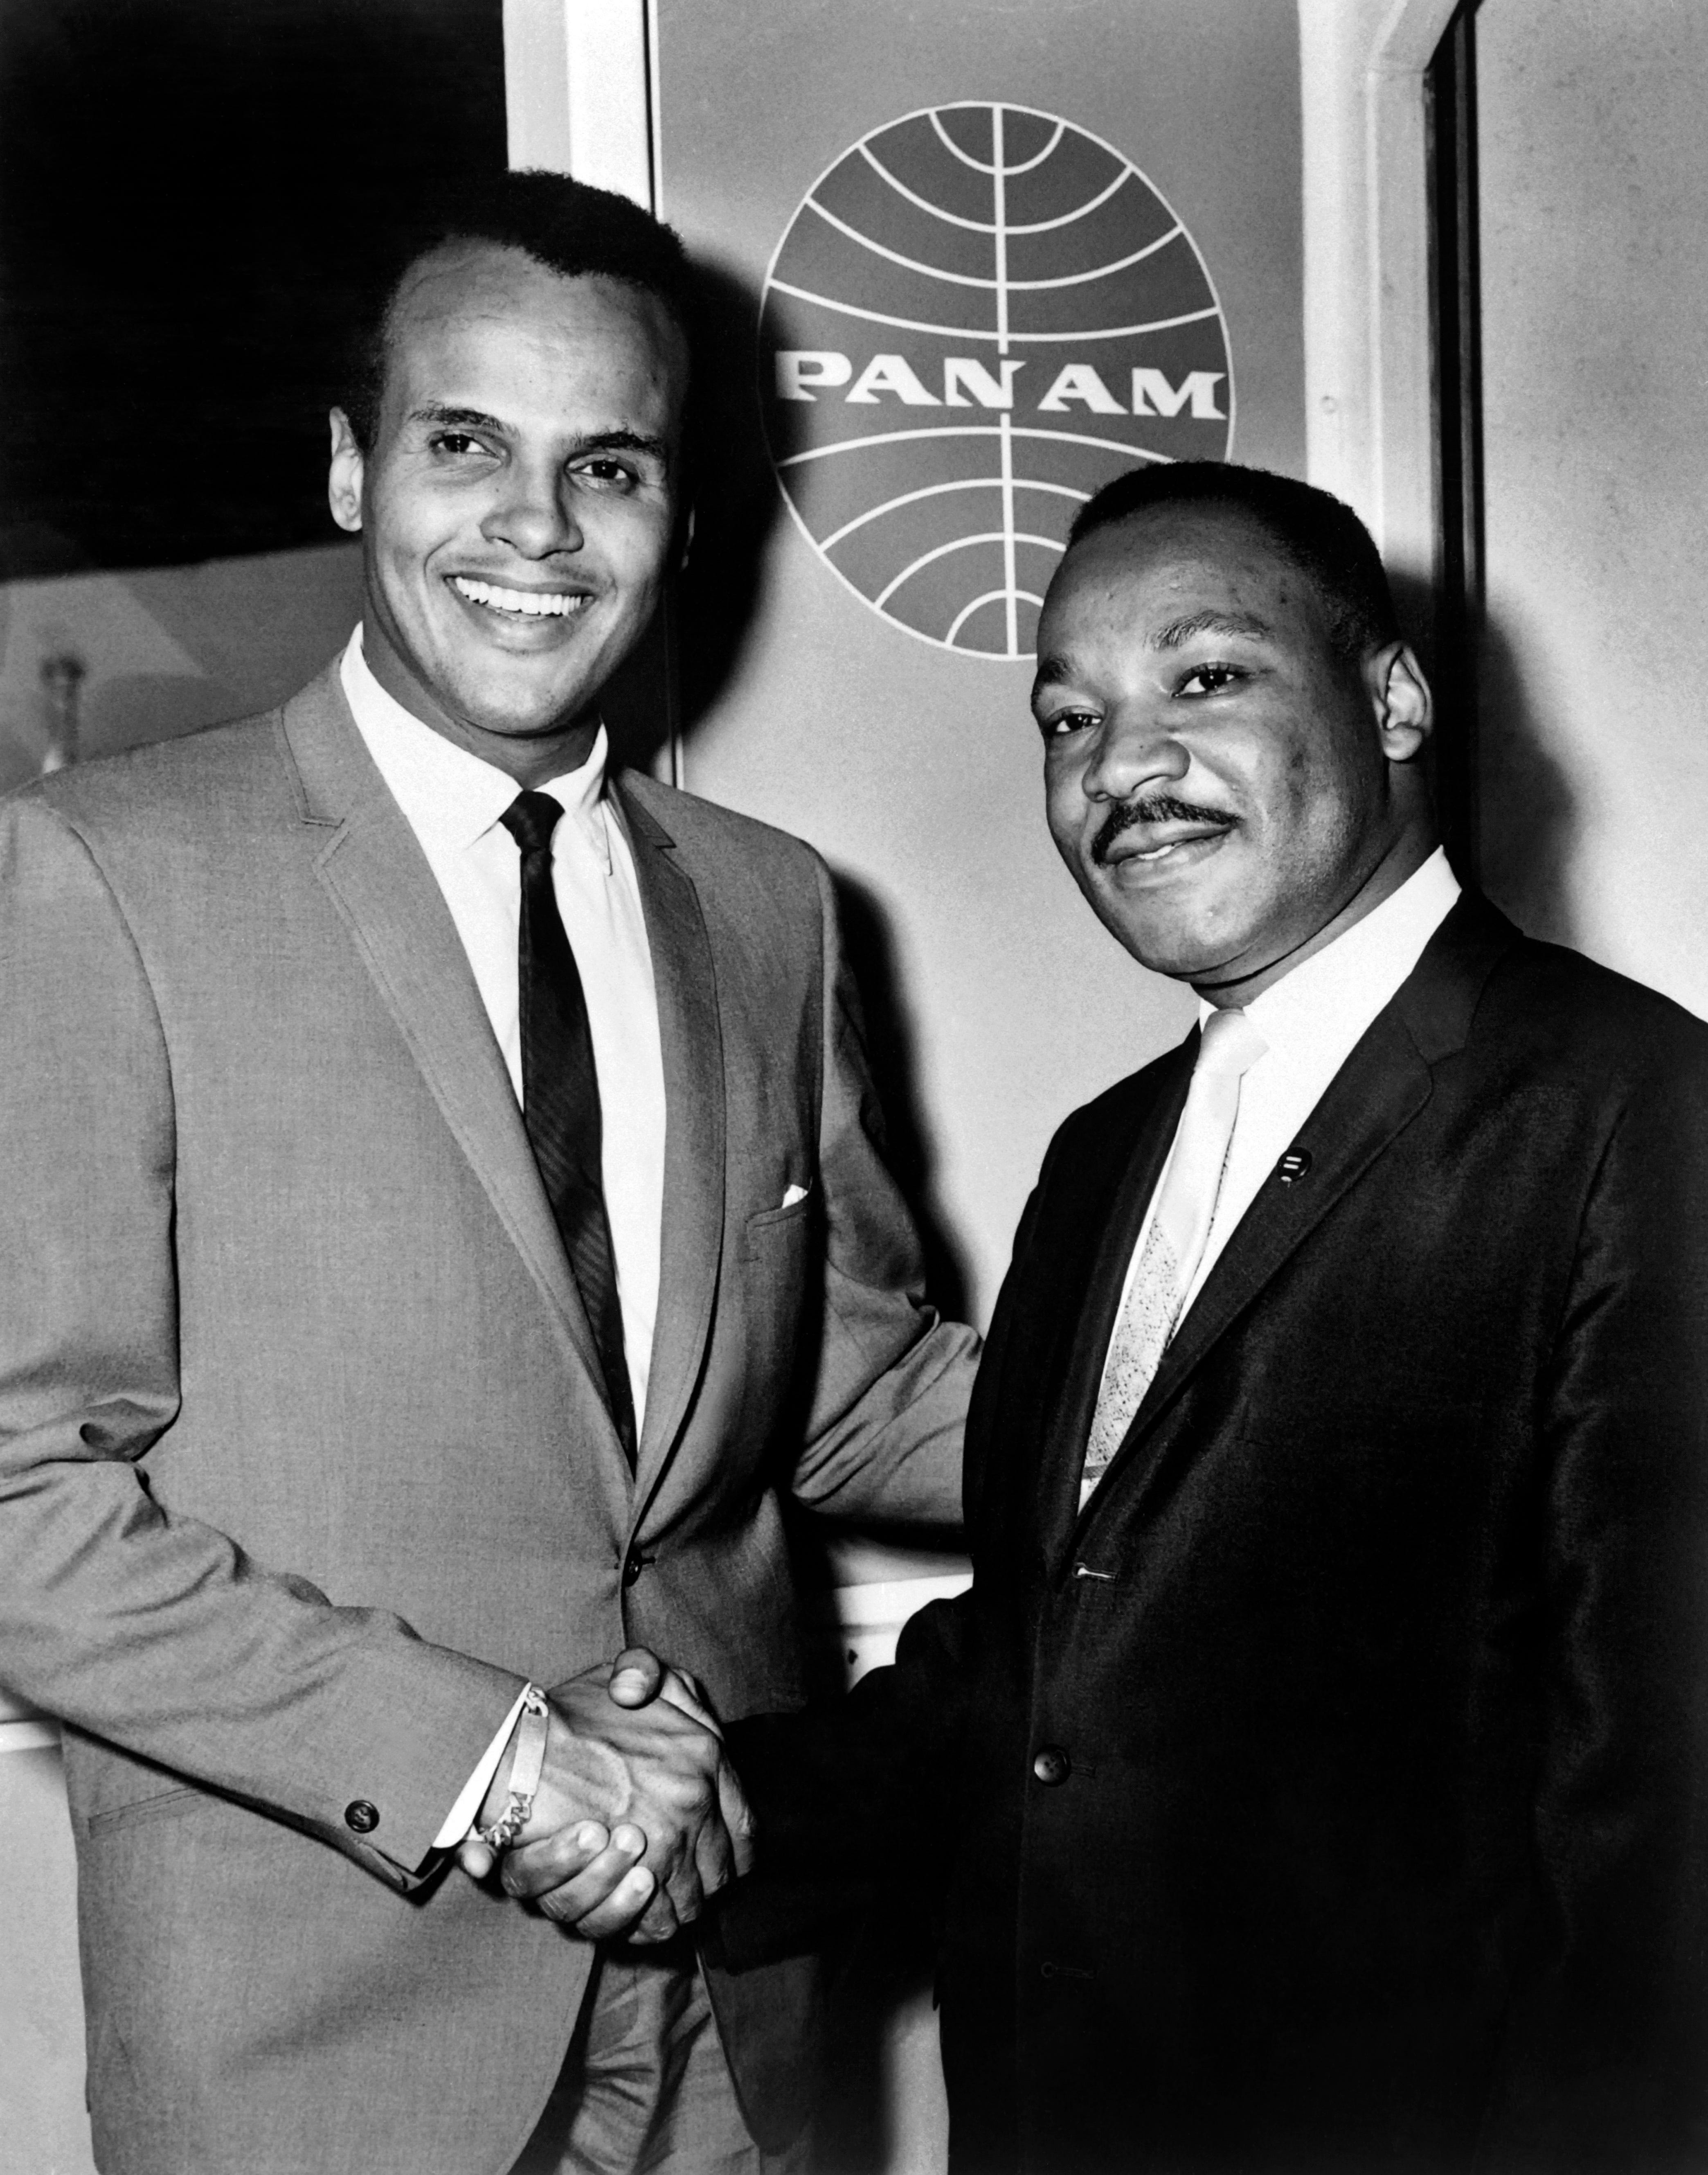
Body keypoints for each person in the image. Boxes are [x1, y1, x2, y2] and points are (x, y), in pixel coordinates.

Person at [0, 171, 976, 2175]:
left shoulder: (775, 911)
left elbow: (854, 1386)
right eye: (467, 446)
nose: (536, 530)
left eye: (606, 466)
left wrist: (1257, 1382)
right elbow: (16, 1497)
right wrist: (498, 1763)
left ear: (682, 520)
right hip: (323, 2037)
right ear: (356, 468)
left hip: (734, 1990)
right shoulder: (108, 872)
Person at [593, 461, 1708, 2171]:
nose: (1122, 767)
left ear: (1393, 698)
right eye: (1067, 718)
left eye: (1208, 678)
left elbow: (1659, 1830)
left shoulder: (1636, 1113)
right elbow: (1039, 1677)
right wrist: (709, 1809)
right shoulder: (1103, 1156)